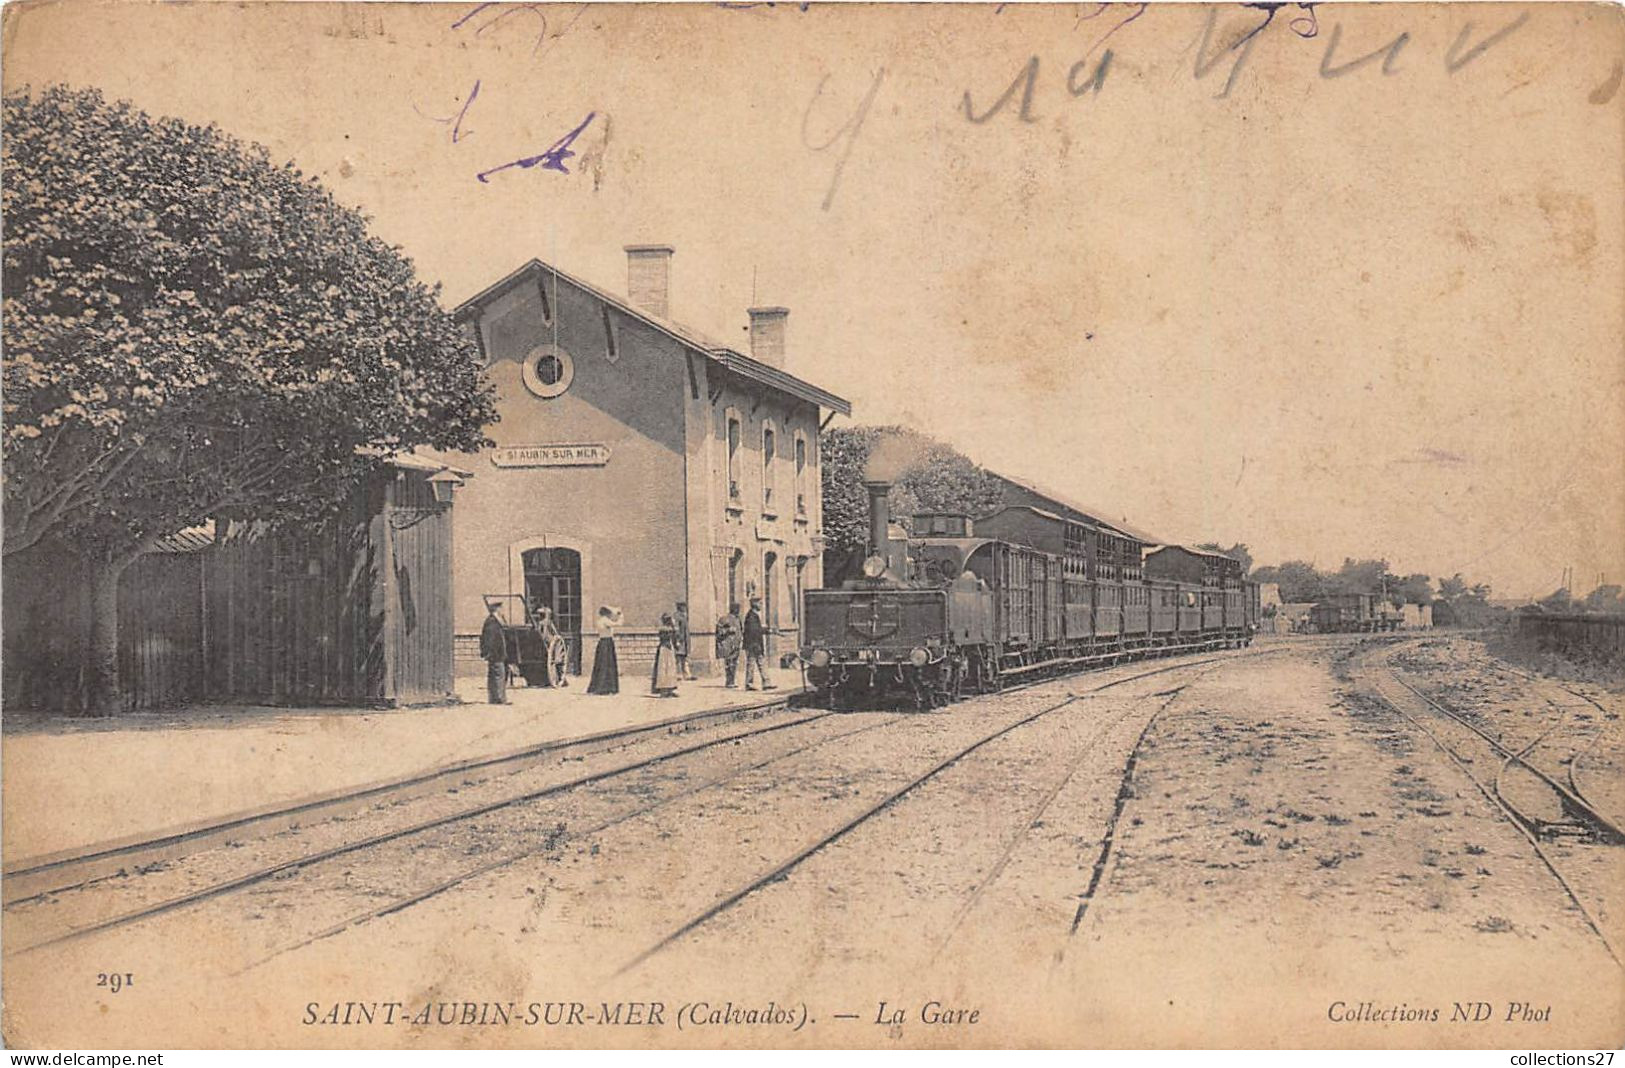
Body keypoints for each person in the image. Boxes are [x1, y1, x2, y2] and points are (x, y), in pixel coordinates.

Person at [587, 605, 622, 695]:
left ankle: (600, 686)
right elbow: (618, 624)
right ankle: (606, 687)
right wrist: (620, 615)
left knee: (601, 664)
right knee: (608, 665)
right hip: (607, 643)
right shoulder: (605, 621)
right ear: (606, 614)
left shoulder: (599, 621)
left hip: (602, 642)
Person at [479, 601, 510, 705]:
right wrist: (490, 653)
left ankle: (494, 698)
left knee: (495, 675)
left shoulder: (494, 620)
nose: (503, 611)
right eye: (501, 608)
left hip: (496, 653)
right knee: (499, 675)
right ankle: (500, 699)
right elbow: (490, 639)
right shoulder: (492, 621)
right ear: (497, 610)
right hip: (496, 654)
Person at [743, 595, 774, 691]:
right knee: (753, 663)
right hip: (753, 644)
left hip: (754, 643)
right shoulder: (751, 616)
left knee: (758, 663)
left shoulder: (753, 615)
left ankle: (764, 683)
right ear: (754, 604)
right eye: (760, 603)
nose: (761, 605)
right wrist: (766, 630)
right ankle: (752, 683)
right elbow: (754, 631)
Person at [651, 613, 680, 697]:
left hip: (669, 650)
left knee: (670, 669)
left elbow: (675, 638)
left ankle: (670, 688)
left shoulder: (670, 629)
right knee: (664, 669)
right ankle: (663, 690)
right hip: (664, 650)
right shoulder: (664, 629)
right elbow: (667, 637)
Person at [716, 603, 743, 688]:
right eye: (737, 609)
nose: (738, 611)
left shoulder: (738, 619)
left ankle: (732, 681)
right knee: (729, 663)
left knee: (734, 663)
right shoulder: (724, 619)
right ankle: (729, 681)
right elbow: (719, 631)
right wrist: (727, 630)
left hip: (736, 644)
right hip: (728, 644)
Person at [672, 602, 694, 680]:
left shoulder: (683, 616)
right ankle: (678, 674)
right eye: (683, 607)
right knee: (678, 658)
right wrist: (677, 640)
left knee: (684, 658)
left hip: (684, 641)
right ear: (680, 607)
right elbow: (676, 629)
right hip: (680, 641)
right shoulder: (677, 617)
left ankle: (687, 674)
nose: (685, 608)